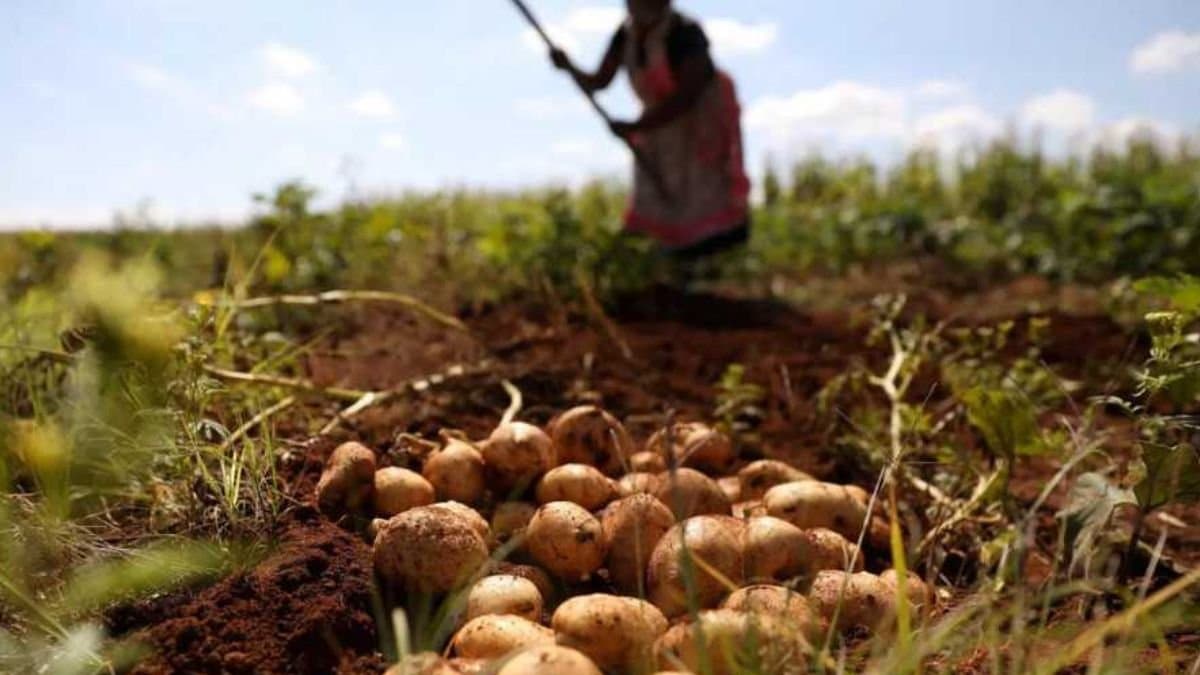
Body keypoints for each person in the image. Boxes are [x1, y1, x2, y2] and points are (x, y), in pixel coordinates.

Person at [550, 0, 751, 261]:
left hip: (697, 123)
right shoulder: (626, 35)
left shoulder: (683, 31)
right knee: (657, 194)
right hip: (658, 126)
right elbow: (599, 81)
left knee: (703, 192)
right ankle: (669, 261)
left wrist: (636, 127)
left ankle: (714, 260)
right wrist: (568, 67)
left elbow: (688, 94)